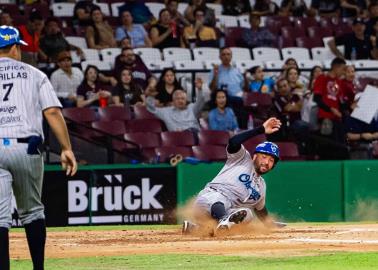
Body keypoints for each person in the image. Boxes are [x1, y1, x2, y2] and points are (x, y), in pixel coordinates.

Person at [0, 25, 77, 270]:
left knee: (0, 217)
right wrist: (66, 148)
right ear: (13, 47)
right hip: (27, 148)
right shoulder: (34, 74)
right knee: (32, 212)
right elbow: (52, 111)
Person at [182, 117, 283, 235]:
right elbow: (234, 142)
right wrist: (260, 129)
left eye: (271, 160)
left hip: (225, 212)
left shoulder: (261, 186)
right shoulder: (241, 158)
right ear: (255, 156)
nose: (266, 162)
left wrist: (268, 223)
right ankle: (223, 219)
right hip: (208, 200)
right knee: (220, 200)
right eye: (264, 157)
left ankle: (198, 229)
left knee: (247, 214)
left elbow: (260, 209)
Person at [209, 47, 246, 128]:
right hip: (223, 100)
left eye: (228, 54)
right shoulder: (215, 70)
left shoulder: (237, 70)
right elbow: (212, 88)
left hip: (238, 99)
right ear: (220, 57)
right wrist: (215, 75)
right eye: (223, 54)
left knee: (243, 111)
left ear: (231, 56)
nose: (226, 56)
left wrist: (246, 78)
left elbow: (243, 87)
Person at [313, 57, 346, 141]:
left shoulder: (339, 82)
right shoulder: (322, 78)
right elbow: (317, 98)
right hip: (325, 116)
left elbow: (341, 101)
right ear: (335, 67)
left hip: (337, 117)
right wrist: (331, 109)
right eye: (343, 69)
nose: (343, 72)